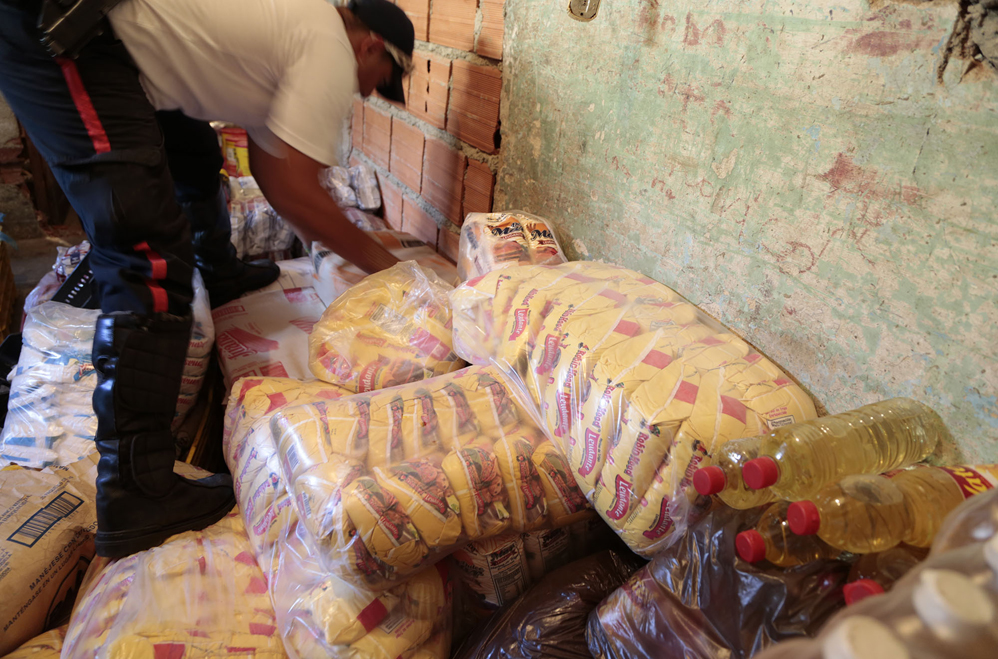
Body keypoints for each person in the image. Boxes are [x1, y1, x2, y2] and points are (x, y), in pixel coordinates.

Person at [0, 0, 413, 558]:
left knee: (193, 151)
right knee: (146, 250)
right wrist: (390, 267)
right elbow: (292, 189)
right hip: (68, 36)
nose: (367, 93)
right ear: (370, 47)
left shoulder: (297, 26)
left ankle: (218, 272)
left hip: (105, 45)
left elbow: (272, 165)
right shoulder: (330, 48)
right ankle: (133, 487)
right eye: (380, 81)